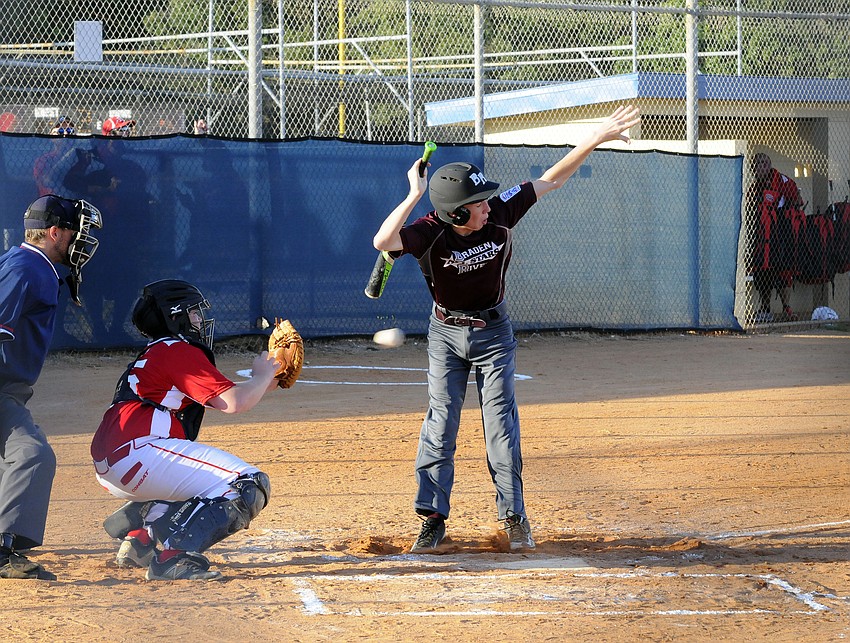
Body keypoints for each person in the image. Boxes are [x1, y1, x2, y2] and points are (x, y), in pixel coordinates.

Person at [372, 105, 641, 553]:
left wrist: (594, 138)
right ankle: (432, 519)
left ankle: (513, 516)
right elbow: (384, 242)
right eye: (474, 204)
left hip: (493, 334)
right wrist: (414, 194)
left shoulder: (498, 212)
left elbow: (550, 179)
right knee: (440, 423)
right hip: (445, 335)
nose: (485, 206)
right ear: (454, 215)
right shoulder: (428, 232)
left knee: (500, 424)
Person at [91, 279, 282, 581]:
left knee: (203, 482)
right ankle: (172, 557)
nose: (199, 319)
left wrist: (268, 379)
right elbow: (234, 402)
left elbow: (229, 393)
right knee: (249, 484)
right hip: (139, 454)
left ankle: (142, 536)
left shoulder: (159, 351)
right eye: (193, 313)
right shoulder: (177, 349)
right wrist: (262, 374)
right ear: (175, 315)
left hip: (118, 461)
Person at [0, 194, 103, 579]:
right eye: (75, 231)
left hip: (9, 388)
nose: (80, 240)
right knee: (31, 455)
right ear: (54, 232)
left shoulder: (27, 263)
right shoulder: (28, 267)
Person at [746, 152, 804, 323]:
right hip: (762, 238)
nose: (761, 166)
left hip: (781, 235)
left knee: (784, 271)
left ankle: (787, 308)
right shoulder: (754, 188)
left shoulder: (782, 181)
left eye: (765, 163)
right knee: (762, 272)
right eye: (758, 163)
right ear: (753, 168)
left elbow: (798, 200)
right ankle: (765, 309)